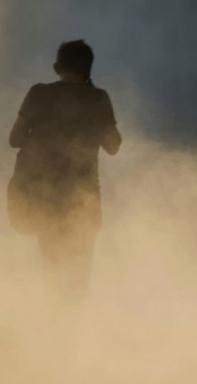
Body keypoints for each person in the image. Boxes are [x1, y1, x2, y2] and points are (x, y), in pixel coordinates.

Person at [8, 39, 121, 300]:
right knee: (78, 281)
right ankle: (75, 323)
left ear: (57, 67)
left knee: (53, 276)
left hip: (46, 201)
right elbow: (113, 146)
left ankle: (55, 322)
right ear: (88, 69)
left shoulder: (39, 94)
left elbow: (14, 139)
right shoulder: (98, 98)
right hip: (84, 203)